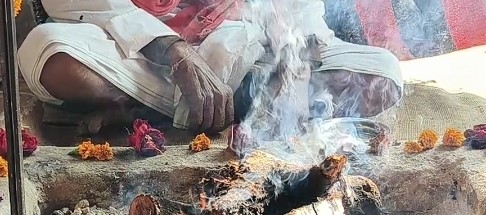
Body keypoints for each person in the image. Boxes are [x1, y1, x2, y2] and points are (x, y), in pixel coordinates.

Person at [18, 0, 403, 135]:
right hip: (142, 59)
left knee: (381, 73)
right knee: (49, 50)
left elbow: (299, 14)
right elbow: (73, 3)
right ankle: (154, 107)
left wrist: (295, 57)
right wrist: (176, 51)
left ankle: (247, 104)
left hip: (253, 62)